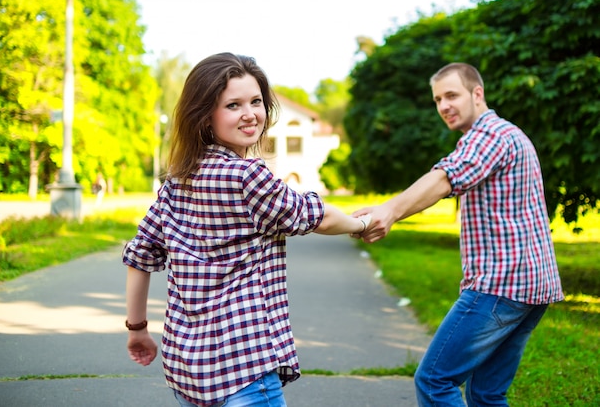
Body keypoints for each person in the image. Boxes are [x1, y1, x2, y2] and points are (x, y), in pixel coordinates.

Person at [122, 52, 370, 407]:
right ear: (206, 116)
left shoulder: (177, 182)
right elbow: (313, 216)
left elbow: (140, 255)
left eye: (256, 101)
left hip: (187, 371)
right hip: (244, 370)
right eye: (233, 105)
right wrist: (362, 224)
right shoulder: (247, 175)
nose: (250, 113)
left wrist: (138, 330)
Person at [353, 62, 563, 406]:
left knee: (435, 380)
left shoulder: (490, 135)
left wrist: (388, 211)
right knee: (487, 394)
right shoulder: (503, 134)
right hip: (530, 288)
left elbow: (444, 178)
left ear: (476, 93)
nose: (443, 106)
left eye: (451, 95)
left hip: (501, 285)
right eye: (437, 100)